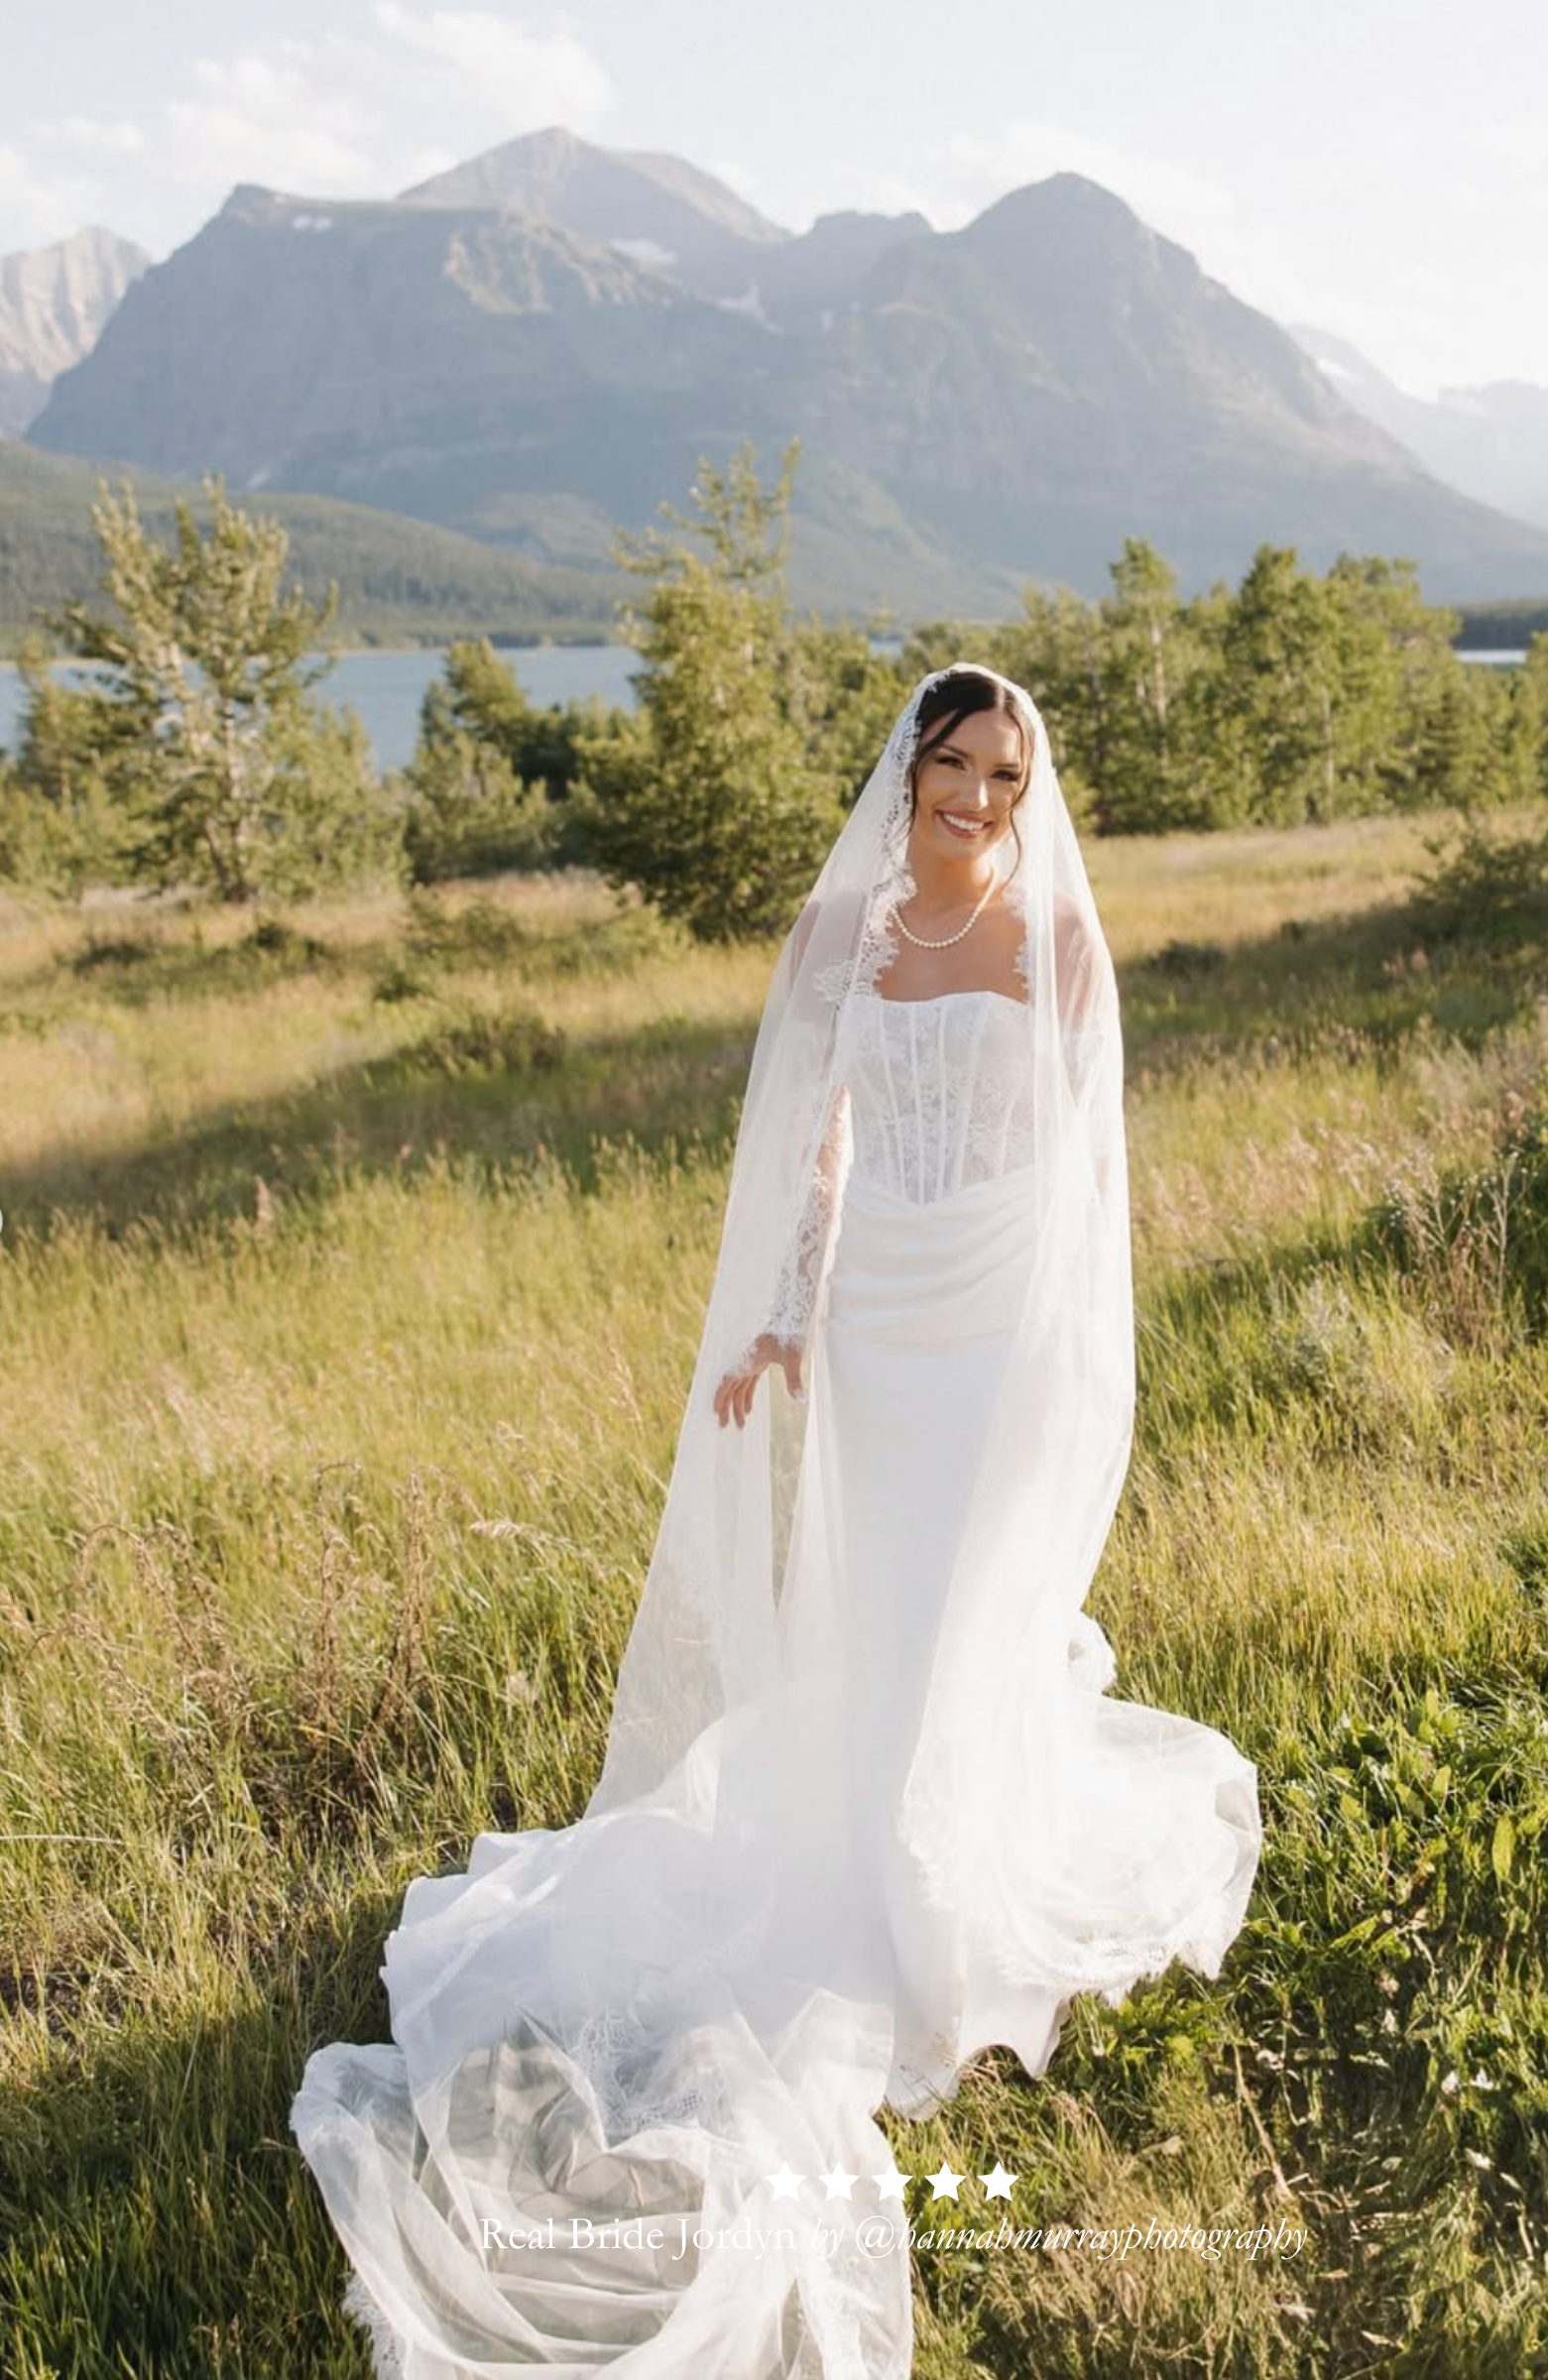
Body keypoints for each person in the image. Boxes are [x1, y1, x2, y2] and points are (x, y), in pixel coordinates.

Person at [291, 662, 1262, 2379]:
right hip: (880, 1324)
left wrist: (1056, 1354)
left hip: (1000, 1325)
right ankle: (878, 1891)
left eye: (1007, 776)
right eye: (956, 767)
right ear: (908, 772)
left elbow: (1087, 1182)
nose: (979, 800)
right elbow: (807, 1146)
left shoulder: (1059, 947)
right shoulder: (842, 944)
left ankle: (948, 1892)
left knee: (975, 1615)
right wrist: (788, 1317)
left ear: (1031, 793)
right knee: (879, 1611)